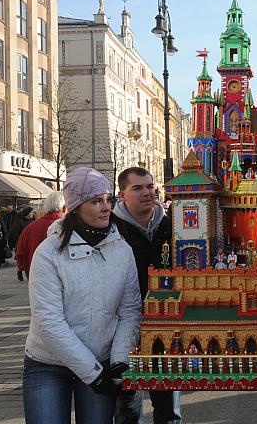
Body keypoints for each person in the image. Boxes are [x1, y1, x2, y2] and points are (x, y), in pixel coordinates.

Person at [23, 167, 141, 424]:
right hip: (48, 362)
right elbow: (48, 321)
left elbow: (130, 309)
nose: (106, 207)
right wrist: (94, 375)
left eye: (108, 200)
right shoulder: (49, 252)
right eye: (96, 200)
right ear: (76, 207)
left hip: (101, 358)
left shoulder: (121, 250)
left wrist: (120, 360)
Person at [112, 167, 182, 424]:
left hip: (166, 320)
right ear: (122, 195)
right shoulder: (111, 229)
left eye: (150, 187)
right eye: (138, 188)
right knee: (128, 404)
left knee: (169, 403)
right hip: (123, 325)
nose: (147, 193)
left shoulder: (172, 225)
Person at [15, 191, 65, 279]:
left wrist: (25, 268)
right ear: (64, 208)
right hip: (61, 278)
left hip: (35, 277)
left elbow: (19, 254)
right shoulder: (65, 227)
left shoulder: (30, 228)